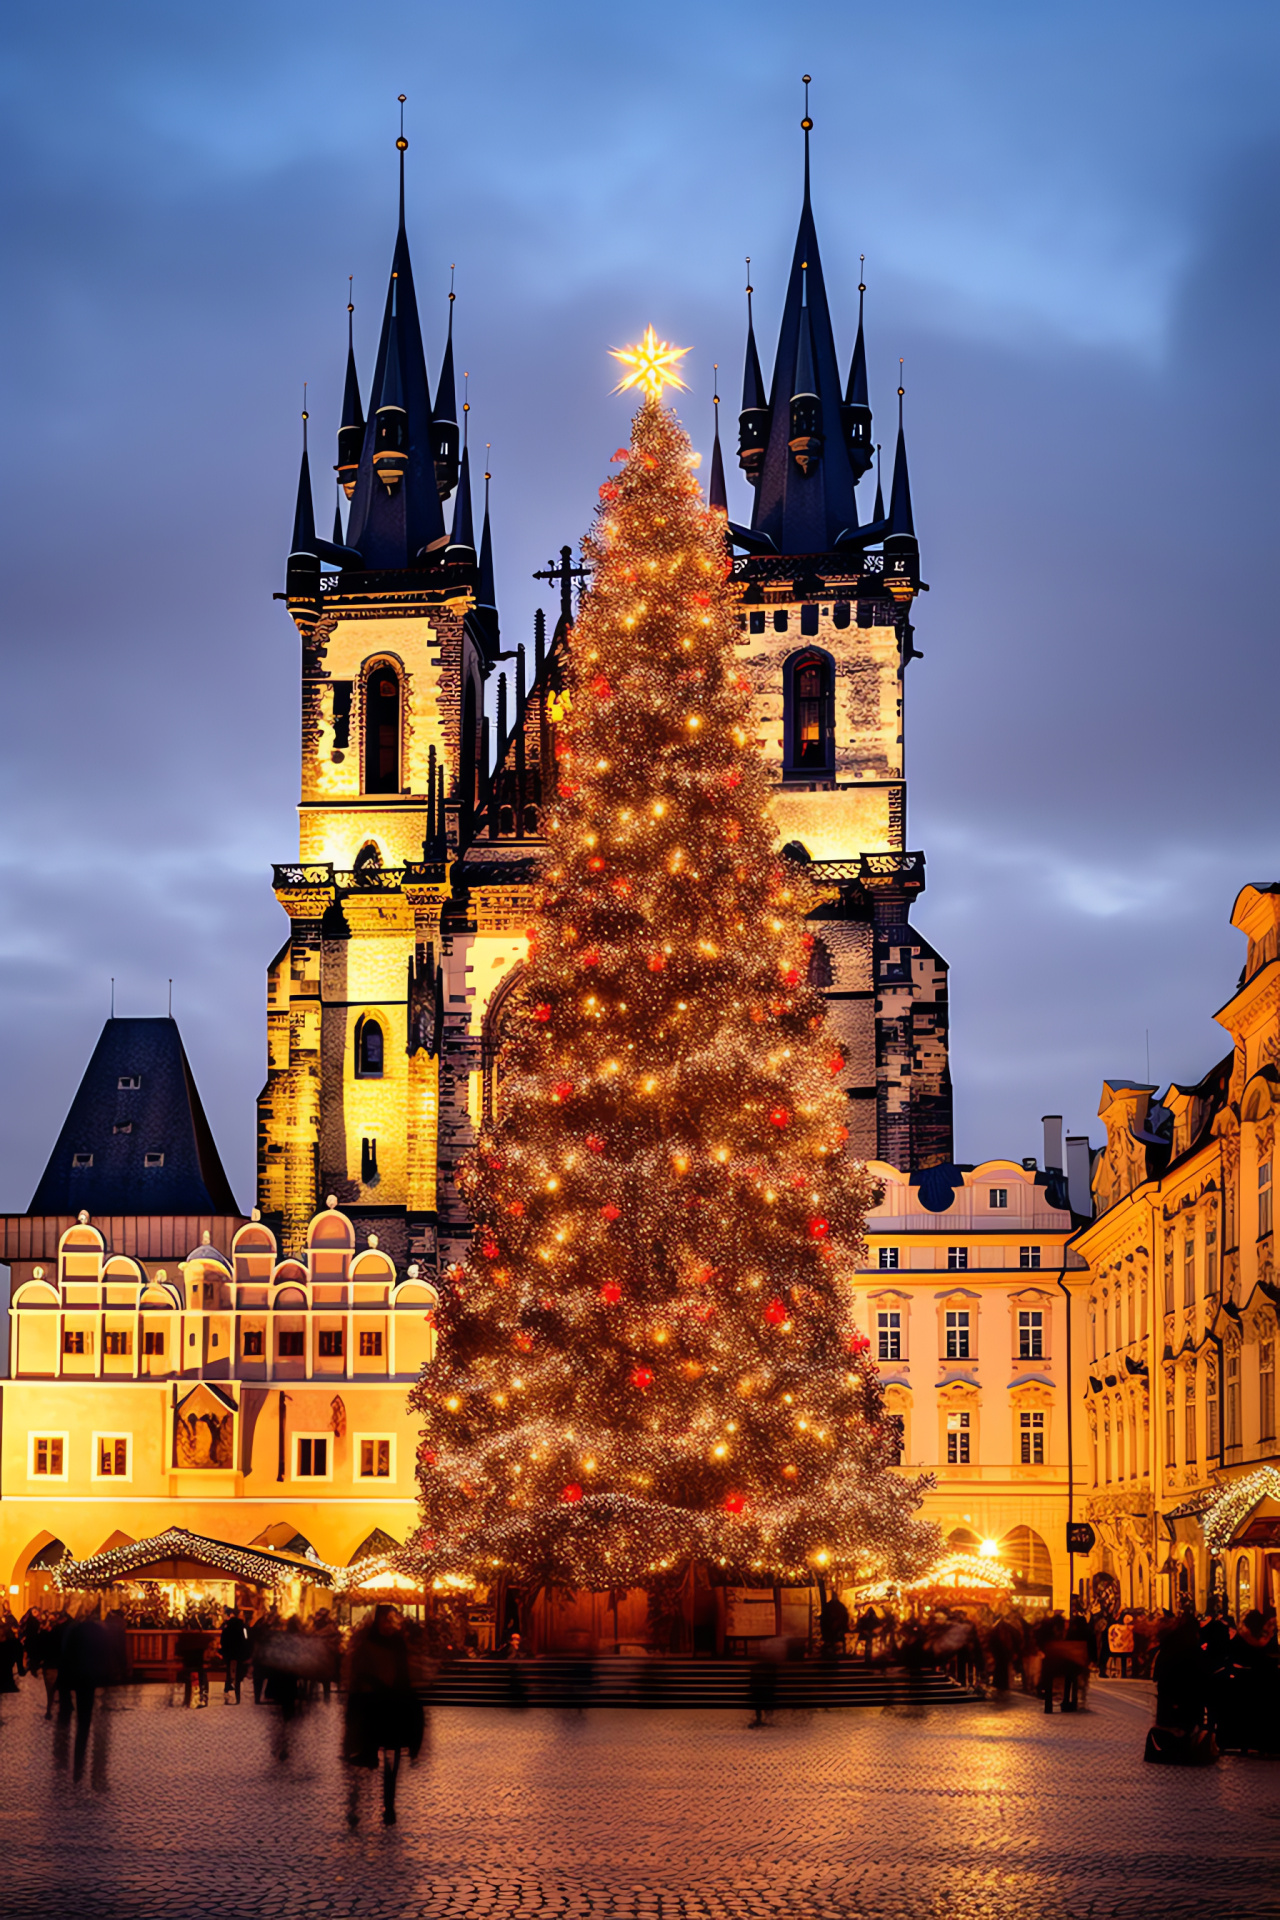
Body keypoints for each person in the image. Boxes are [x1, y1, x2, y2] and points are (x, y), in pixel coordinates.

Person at [343, 1605, 423, 1826]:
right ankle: (355, 1803)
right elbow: (357, 1674)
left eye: (392, 1620)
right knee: (363, 1759)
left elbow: (404, 1673)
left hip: (393, 1705)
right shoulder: (365, 1643)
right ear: (377, 1620)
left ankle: (389, 1805)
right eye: (386, 1620)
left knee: (392, 1758)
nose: (389, 1625)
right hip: (370, 1707)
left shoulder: (399, 1644)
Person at [176, 1618, 210, 1708]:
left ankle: (188, 1700)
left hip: (187, 1667)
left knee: (189, 1678)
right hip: (199, 1667)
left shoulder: (184, 1638)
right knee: (203, 1677)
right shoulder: (202, 1638)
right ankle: (203, 1699)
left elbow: (178, 1653)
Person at [220, 1607, 251, 1703]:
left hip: (229, 1652)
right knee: (238, 1673)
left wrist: (225, 1650)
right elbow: (246, 1639)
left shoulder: (227, 1626)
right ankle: (237, 1695)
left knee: (229, 1672)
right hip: (239, 1653)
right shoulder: (243, 1627)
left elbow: (223, 1640)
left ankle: (227, 1689)